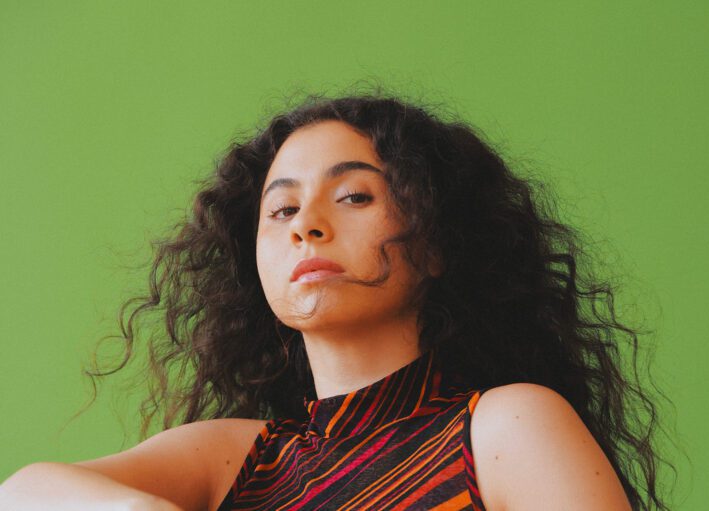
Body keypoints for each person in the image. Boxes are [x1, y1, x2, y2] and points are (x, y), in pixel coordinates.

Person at [0, 91, 672, 510]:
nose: (306, 226)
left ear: (436, 242)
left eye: (353, 196)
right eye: (281, 209)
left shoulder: (504, 427)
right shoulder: (237, 459)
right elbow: (22, 493)